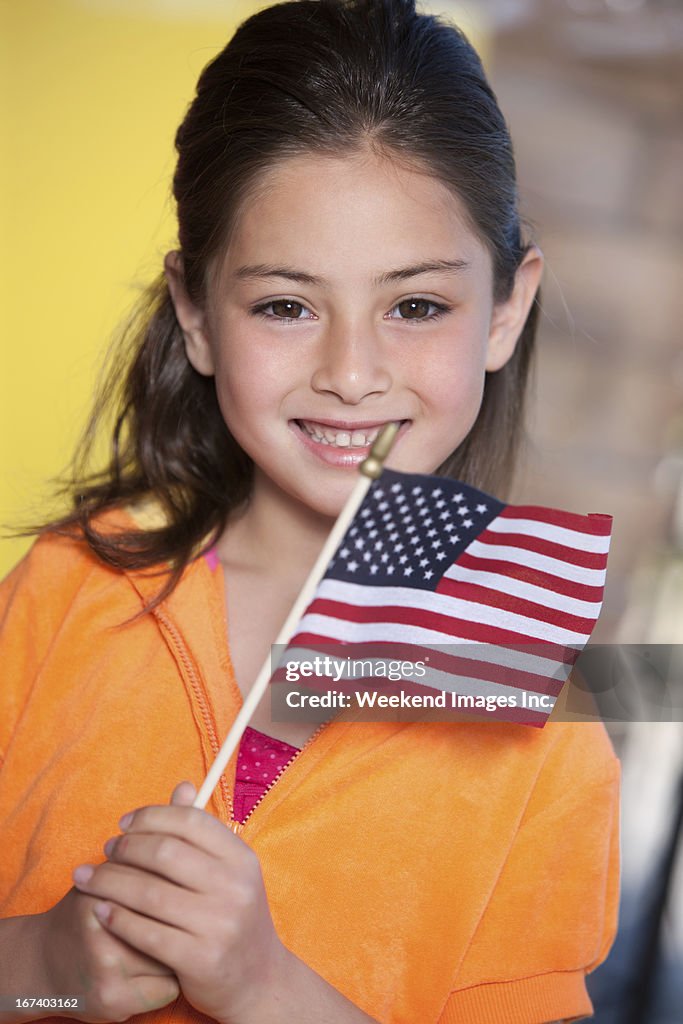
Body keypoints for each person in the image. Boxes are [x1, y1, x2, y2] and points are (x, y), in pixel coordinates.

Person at [0, 1, 620, 1022]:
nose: (348, 372)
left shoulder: (547, 736)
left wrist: (263, 986)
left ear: (505, 310)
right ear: (196, 313)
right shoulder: (61, 596)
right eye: (284, 304)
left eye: (414, 304)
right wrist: (47, 969)